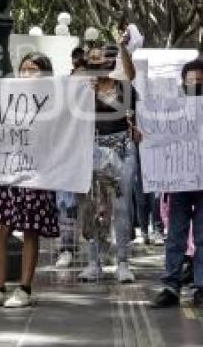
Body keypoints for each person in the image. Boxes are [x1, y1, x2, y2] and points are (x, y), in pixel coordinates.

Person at [0, 53, 60, 309]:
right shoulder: (8, 99)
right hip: (7, 172)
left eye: (33, 70)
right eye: (23, 69)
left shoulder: (52, 102)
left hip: (35, 172)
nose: (27, 74)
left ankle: (24, 288)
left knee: (30, 230)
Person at [151, 59, 203, 310]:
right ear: (183, 83)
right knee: (175, 235)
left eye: (200, 82)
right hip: (179, 182)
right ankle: (171, 287)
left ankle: (201, 288)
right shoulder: (170, 110)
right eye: (190, 82)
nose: (195, 86)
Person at [78, 32, 138, 284]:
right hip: (91, 149)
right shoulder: (81, 91)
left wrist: (123, 47)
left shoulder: (124, 86)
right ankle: (94, 262)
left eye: (101, 59)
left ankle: (123, 262)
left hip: (123, 147)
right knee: (92, 207)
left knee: (122, 206)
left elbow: (131, 73)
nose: (97, 63)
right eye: (92, 61)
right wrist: (83, 93)